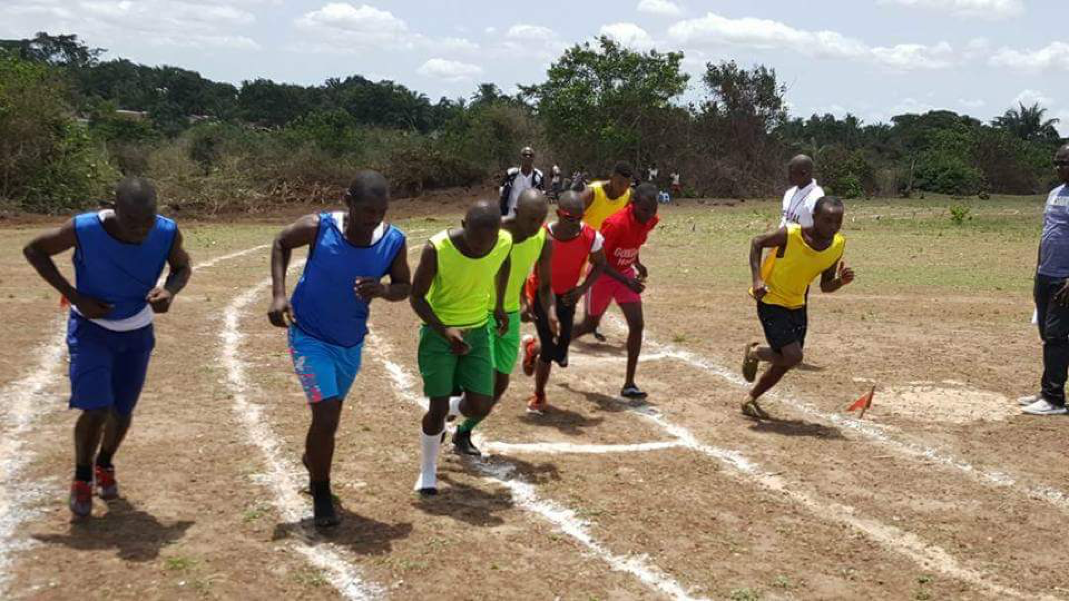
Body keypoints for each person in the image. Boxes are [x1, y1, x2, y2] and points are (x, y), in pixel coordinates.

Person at [23, 177, 192, 518]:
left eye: (147, 222)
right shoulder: (84, 228)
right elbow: (34, 250)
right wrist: (75, 297)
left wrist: (169, 291)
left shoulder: (167, 232)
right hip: (91, 330)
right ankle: (82, 477)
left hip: (137, 333)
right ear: (115, 209)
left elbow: (182, 266)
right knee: (96, 407)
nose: (141, 231)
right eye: (132, 222)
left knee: (122, 411)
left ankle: (105, 463)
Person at [267, 171, 411, 528]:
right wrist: (279, 294)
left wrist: (382, 290)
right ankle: (321, 492)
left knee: (329, 417)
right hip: (309, 336)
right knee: (327, 414)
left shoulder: (392, 241)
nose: (372, 219)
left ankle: (312, 458)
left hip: (350, 344)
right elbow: (281, 243)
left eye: (380, 211)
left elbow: (404, 286)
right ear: (347, 200)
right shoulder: (320, 227)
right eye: (366, 210)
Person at [410, 201, 512, 494]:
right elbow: (416, 296)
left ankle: (449, 408)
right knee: (437, 407)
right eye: (477, 239)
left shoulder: (502, 242)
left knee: (481, 403)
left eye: (489, 240)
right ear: (464, 226)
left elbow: (503, 261)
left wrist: (500, 305)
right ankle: (427, 470)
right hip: (439, 335)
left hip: (478, 331)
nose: (483, 247)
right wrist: (445, 331)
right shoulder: (437, 249)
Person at [451, 190, 553, 455]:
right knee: (482, 378)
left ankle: (463, 431)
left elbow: (540, 282)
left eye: (540, 219)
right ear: (516, 212)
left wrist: (545, 310)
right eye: (531, 219)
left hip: (509, 315)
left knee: (500, 384)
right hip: (478, 312)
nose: (535, 226)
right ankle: (445, 413)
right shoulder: (493, 232)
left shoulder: (542, 238)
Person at [741, 196, 854, 418]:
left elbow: (825, 285)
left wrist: (841, 281)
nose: (832, 227)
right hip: (771, 300)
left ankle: (750, 397)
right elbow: (757, 242)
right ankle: (755, 353)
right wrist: (757, 280)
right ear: (814, 217)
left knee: (786, 361)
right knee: (793, 356)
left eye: (837, 222)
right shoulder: (791, 235)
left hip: (797, 304)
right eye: (827, 220)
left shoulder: (837, 245)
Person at [521, 191, 607, 413]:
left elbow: (600, 264)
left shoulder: (591, 237)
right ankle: (539, 395)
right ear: (559, 213)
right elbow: (521, 267)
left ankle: (532, 348)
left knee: (561, 350)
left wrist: (581, 289)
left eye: (580, 217)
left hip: (568, 296)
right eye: (570, 218)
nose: (576, 223)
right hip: (541, 292)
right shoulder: (541, 236)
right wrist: (524, 300)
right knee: (550, 350)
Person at [573, 184, 659, 399]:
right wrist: (627, 281)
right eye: (645, 210)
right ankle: (552, 342)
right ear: (633, 205)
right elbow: (598, 260)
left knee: (637, 325)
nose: (649, 215)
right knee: (588, 325)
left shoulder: (649, 220)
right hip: (601, 276)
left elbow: (635, 241)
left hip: (624, 274)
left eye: (653, 210)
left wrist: (636, 264)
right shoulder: (615, 224)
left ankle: (629, 383)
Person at [1020, 144, 1069, 416]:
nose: (1060, 168)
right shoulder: (1054, 194)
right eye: (1057, 163)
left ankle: (1054, 398)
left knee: (1056, 337)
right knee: (1048, 336)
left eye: (1065, 163)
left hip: (1065, 281)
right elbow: (1047, 234)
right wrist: (1038, 271)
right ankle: (1047, 390)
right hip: (1046, 276)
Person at [579, 161, 634, 342]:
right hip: (581, 244)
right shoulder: (592, 193)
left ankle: (593, 322)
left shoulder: (627, 196)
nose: (622, 189)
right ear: (611, 177)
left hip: (603, 248)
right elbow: (570, 215)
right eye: (619, 183)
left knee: (601, 283)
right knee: (565, 284)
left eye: (626, 185)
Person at [780, 155, 825, 228]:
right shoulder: (789, 193)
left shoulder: (816, 196)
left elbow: (820, 227)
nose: (788, 176)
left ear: (804, 174)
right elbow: (785, 220)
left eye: (792, 173)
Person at [498, 146, 544, 217]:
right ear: (521, 157)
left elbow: (542, 195)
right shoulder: (511, 173)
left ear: (533, 158)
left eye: (530, 155)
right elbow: (502, 191)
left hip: (529, 213)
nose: (527, 157)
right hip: (511, 212)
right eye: (525, 155)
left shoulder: (538, 175)